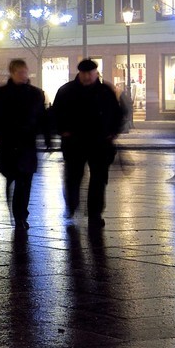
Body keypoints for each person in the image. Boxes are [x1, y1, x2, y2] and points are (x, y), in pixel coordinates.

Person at [51, 58, 125, 227]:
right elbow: (56, 114)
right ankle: (72, 205)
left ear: (96, 73)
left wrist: (113, 132)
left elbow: (117, 113)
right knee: (73, 177)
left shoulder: (105, 91)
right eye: (84, 73)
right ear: (80, 73)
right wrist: (62, 130)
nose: (87, 77)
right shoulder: (67, 91)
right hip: (74, 143)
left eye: (90, 73)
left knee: (98, 179)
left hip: (99, 143)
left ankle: (95, 214)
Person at [0, 59, 47, 229]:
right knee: (15, 178)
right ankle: (17, 213)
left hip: (27, 144)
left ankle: (20, 215)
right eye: (20, 72)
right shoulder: (1, 94)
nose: (24, 76)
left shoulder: (35, 94)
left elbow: (42, 117)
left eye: (25, 72)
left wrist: (46, 135)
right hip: (9, 143)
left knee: (24, 181)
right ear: (12, 73)